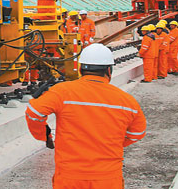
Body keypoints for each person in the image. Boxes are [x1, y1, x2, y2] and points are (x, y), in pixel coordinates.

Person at [25, 44, 147, 189]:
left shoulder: (62, 92)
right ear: (109, 70)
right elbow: (138, 133)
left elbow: (34, 113)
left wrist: (45, 136)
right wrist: (109, 143)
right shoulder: (126, 101)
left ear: (81, 69)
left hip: (70, 176)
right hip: (107, 178)